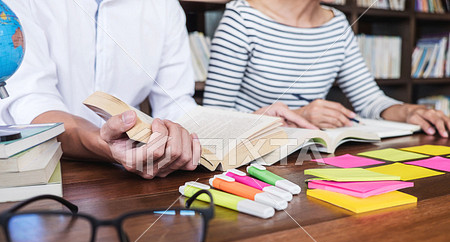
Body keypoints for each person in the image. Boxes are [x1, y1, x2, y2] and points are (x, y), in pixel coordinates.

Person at [0, 0, 201, 179]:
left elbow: (175, 103)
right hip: (39, 172)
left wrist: (184, 139)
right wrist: (106, 145)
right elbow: (34, 108)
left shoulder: (164, 6)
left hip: (125, 177)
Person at [203, 0, 450, 137]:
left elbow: (369, 100)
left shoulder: (337, 24)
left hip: (309, 155)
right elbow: (213, 121)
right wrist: (299, 115)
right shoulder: (242, 18)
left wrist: (407, 111)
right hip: (250, 159)